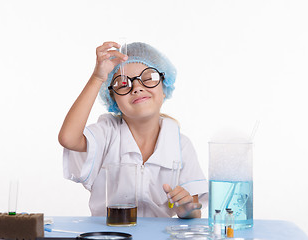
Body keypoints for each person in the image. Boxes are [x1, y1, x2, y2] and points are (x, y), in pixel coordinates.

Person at [58, 41, 208, 218]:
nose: (137, 87)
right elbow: (68, 138)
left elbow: (194, 211)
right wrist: (97, 78)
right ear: (113, 99)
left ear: (164, 86)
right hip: (109, 235)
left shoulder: (181, 145)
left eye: (148, 78)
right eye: (123, 84)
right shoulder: (107, 133)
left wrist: (186, 209)